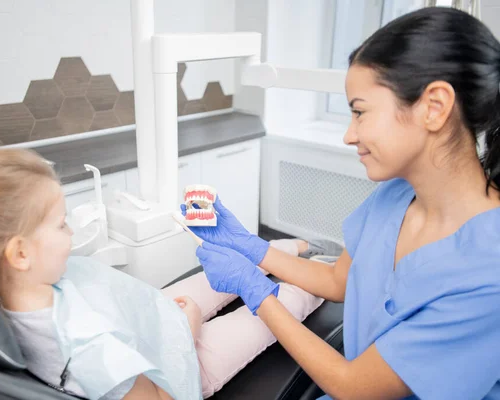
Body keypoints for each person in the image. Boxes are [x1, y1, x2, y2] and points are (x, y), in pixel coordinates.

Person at [187, 7, 500, 400]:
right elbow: (339, 281)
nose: (349, 135)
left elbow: (355, 387)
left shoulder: (489, 269)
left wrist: (256, 294)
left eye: (360, 112)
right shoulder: (395, 196)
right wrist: (250, 248)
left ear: (434, 107)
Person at [0, 147, 324, 400]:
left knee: (221, 269)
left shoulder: (12, 285)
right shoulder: (88, 351)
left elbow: (110, 305)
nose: (71, 229)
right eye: (60, 223)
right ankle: (319, 274)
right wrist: (187, 329)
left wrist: (166, 317)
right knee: (275, 308)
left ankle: (290, 250)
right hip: (187, 362)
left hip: (149, 321)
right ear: (19, 253)